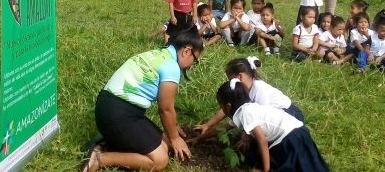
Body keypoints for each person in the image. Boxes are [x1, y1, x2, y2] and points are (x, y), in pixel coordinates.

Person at [83, 29, 204, 172]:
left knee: (166, 146)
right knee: (159, 161)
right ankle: (101, 159)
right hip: (119, 115)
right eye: (195, 61)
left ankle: (107, 142)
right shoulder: (171, 66)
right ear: (186, 51)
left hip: (108, 108)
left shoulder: (157, 54)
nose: (191, 66)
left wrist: (173, 131)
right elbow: (165, 109)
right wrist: (176, 138)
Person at [195, 79, 329, 171]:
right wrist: (198, 139)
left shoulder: (246, 113)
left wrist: (265, 170)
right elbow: (222, 128)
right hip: (298, 131)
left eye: (221, 106)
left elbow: (262, 140)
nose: (222, 110)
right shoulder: (247, 108)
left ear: (228, 106)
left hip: (290, 139)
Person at [193, 56, 305, 139]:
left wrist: (246, 136)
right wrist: (208, 125)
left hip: (289, 115)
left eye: (229, 79)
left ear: (240, 76)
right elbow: (226, 108)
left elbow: (261, 119)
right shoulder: (243, 89)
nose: (229, 82)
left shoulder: (260, 90)